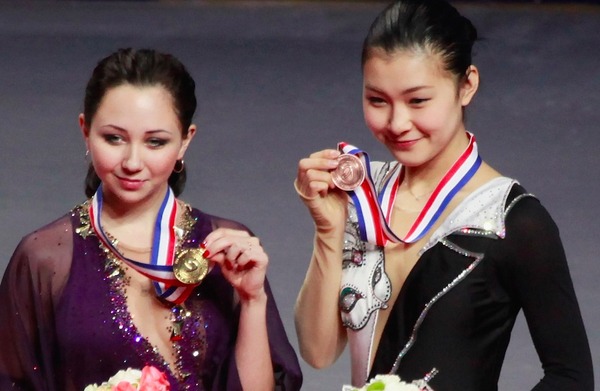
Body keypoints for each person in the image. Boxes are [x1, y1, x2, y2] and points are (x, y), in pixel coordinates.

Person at [293, 1, 594, 390]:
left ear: (466, 84)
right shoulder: (362, 195)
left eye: (418, 101)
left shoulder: (514, 221)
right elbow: (317, 353)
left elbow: (571, 377)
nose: (397, 123)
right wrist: (327, 230)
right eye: (377, 100)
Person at [0, 48, 302, 391]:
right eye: (114, 138)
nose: (132, 161)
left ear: (185, 142)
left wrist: (252, 300)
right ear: (85, 131)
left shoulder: (226, 244)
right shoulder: (46, 259)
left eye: (155, 142)